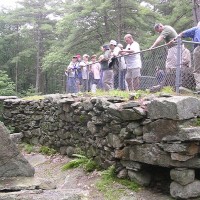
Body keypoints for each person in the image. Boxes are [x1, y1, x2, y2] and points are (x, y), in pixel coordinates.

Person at [177, 22, 200, 91]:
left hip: (198, 48)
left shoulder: (197, 28)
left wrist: (175, 39)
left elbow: (182, 34)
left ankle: (199, 87)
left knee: (197, 70)